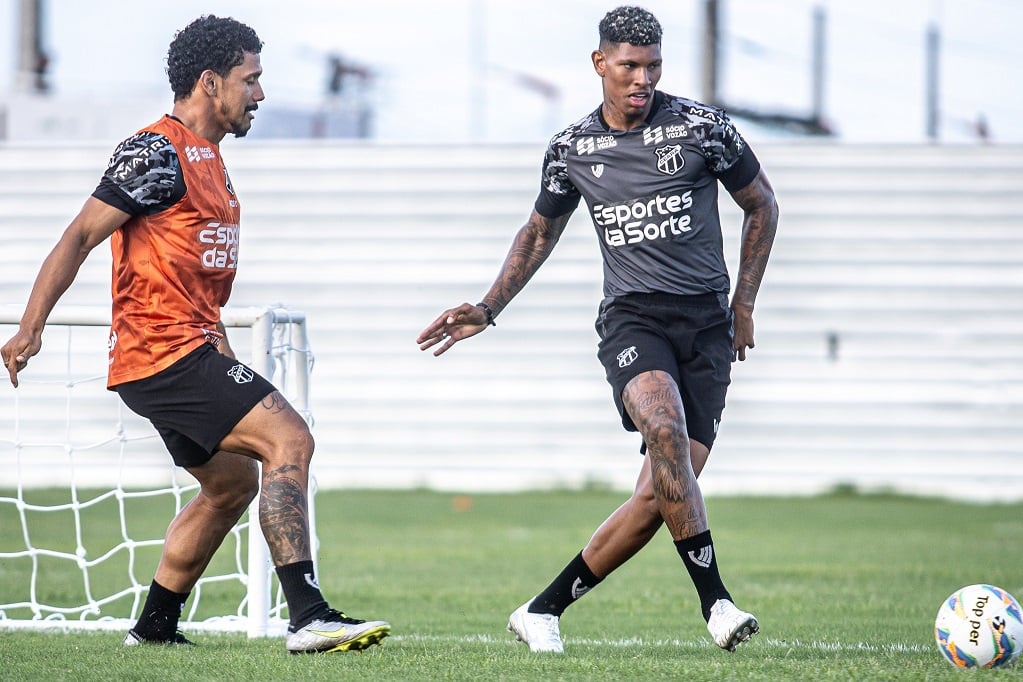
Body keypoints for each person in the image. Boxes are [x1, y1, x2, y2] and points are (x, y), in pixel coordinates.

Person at [0, 15, 390, 654]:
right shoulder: (155, 151)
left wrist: (224, 354)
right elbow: (78, 236)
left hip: (186, 351)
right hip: (162, 353)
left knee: (230, 485)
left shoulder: (214, 165)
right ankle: (309, 616)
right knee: (290, 438)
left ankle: (154, 628)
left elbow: (199, 289)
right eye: (251, 80)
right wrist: (30, 326)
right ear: (210, 82)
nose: (259, 95)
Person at [417, 5, 777, 654]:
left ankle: (542, 609)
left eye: (652, 66)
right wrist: (487, 307)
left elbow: (761, 204)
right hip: (632, 320)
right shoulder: (572, 148)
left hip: (705, 327)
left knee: (659, 497)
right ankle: (716, 603)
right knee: (662, 429)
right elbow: (537, 233)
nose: (641, 79)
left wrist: (743, 305)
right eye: (629, 66)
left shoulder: (702, 128)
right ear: (600, 64)